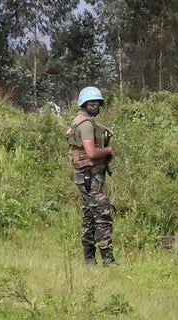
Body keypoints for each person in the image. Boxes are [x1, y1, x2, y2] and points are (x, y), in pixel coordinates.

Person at [66, 86, 117, 266]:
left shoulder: (79, 121)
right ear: (84, 103)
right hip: (90, 176)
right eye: (91, 102)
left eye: (97, 102)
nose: (95, 105)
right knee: (103, 215)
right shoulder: (86, 124)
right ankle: (108, 261)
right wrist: (108, 150)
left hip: (86, 176)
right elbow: (91, 153)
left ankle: (89, 260)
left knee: (89, 216)